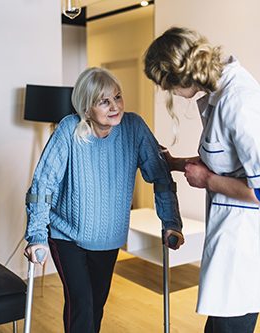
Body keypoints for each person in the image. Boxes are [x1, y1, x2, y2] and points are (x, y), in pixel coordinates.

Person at [143, 27, 260, 333]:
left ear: (177, 77)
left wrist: (207, 180)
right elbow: (227, 163)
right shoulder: (220, 94)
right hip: (235, 237)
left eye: (166, 87)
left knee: (229, 325)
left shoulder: (241, 103)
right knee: (220, 325)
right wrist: (175, 163)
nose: (170, 95)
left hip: (251, 244)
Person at [24, 67, 184, 333]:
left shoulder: (134, 128)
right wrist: (37, 234)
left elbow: (160, 176)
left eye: (118, 97)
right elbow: (43, 184)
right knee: (83, 304)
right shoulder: (68, 130)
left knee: (94, 306)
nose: (115, 106)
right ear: (86, 108)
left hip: (108, 237)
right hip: (66, 236)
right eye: (104, 101)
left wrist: (171, 222)